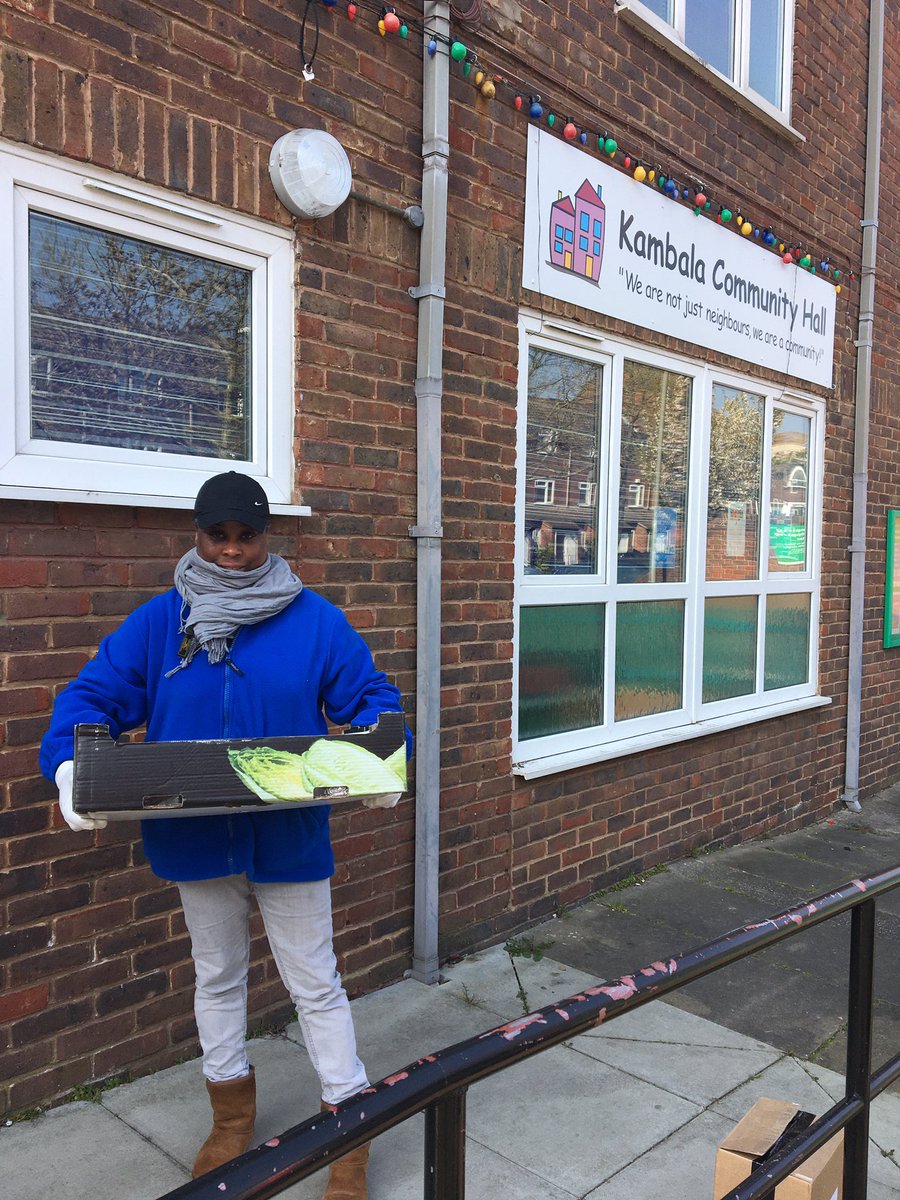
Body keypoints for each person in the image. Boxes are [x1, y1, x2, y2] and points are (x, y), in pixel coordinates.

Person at [40, 471, 410, 1198]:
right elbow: (91, 697)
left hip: (290, 838)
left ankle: (350, 1130)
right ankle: (231, 1118)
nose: (233, 550)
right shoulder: (159, 623)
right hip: (197, 838)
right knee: (217, 976)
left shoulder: (315, 621)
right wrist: (69, 766)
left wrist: (379, 759)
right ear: (198, 534)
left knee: (316, 982)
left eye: (247, 536)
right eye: (218, 535)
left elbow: (371, 696)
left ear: (266, 536)